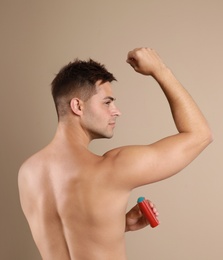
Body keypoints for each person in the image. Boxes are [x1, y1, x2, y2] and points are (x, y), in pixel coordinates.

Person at [18, 47, 213, 260]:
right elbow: (200, 134)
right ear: (77, 106)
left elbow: (69, 234)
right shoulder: (114, 168)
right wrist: (160, 70)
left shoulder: (28, 172)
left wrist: (118, 225)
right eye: (107, 102)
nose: (116, 111)